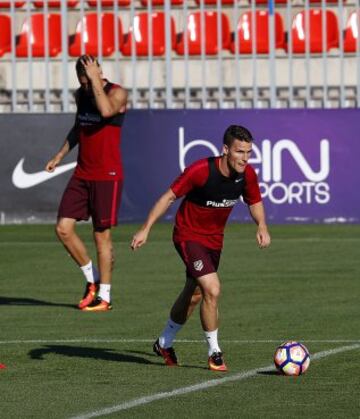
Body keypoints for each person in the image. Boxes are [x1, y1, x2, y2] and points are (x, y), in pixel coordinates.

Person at [131, 125, 271, 371]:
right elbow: (169, 197)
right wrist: (146, 228)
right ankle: (215, 352)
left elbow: (255, 201)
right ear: (225, 150)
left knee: (195, 293)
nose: (245, 158)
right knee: (213, 289)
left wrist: (261, 225)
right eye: (240, 152)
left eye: (249, 152)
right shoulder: (200, 171)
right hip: (188, 236)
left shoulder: (247, 175)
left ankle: (164, 342)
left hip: (214, 241)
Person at [45, 55, 127, 312]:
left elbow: (105, 111)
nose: (85, 83)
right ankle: (92, 280)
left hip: (107, 175)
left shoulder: (117, 93)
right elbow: (78, 127)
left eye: (88, 77)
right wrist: (59, 155)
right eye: (82, 79)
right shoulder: (81, 94)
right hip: (82, 173)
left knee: (101, 236)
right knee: (63, 228)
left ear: (98, 71)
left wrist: (94, 80)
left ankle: (105, 297)